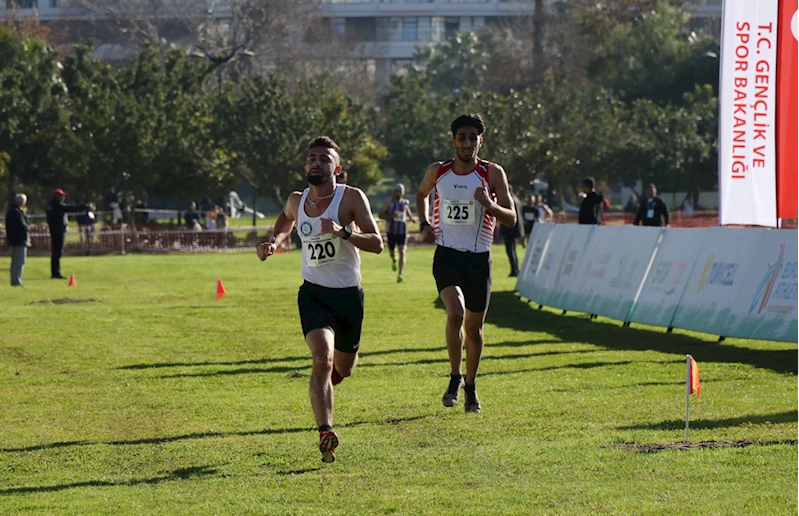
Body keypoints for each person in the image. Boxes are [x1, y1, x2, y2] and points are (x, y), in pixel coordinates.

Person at [256, 136, 383, 463]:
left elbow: (377, 243)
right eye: (312, 158)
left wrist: (343, 232)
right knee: (322, 359)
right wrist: (274, 241)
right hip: (313, 294)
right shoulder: (297, 200)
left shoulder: (351, 198)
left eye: (324, 159)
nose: (316, 162)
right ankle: (325, 430)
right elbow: (286, 219)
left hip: (348, 297)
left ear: (336, 168)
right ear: (305, 166)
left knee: (344, 368)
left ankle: (332, 378)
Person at [415, 113, 517, 413]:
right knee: (455, 313)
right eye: (462, 137)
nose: (467, 143)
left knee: (474, 329)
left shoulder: (492, 173)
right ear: (453, 140)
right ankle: (454, 377)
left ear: (480, 141)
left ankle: (470, 386)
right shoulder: (439, 170)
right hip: (446, 255)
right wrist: (424, 223)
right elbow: (422, 194)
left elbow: (511, 218)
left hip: (478, 259)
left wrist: (490, 204)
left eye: (473, 138)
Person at [378, 183, 417, 282]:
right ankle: (393, 260)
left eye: (400, 192)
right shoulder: (389, 203)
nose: (398, 193)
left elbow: (407, 212)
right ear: (393, 192)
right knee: (392, 252)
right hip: (391, 231)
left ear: (403, 193)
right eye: (396, 191)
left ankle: (400, 274)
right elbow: (380, 215)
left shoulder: (405, 203)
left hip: (402, 231)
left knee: (402, 251)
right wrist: (391, 216)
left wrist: (412, 219)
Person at [45, 188, 87, 279]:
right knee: (57, 252)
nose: (63, 197)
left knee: (55, 252)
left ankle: (55, 271)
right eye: (61, 196)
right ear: (57, 197)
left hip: (54, 230)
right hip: (58, 231)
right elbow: (70, 208)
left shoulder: (50, 205)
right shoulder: (57, 206)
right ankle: (56, 272)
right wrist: (85, 206)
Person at [499, 184, 525, 277]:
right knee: (512, 250)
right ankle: (515, 269)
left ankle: (514, 270)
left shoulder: (509, 200)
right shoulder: (516, 199)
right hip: (515, 229)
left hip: (510, 229)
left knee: (510, 250)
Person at [6, 193, 31, 286]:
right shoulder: (17, 212)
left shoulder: (11, 211)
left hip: (14, 239)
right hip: (19, 240)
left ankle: (15, 279)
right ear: (21, 202)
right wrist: (28, 227)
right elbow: (22, 225)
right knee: (19, 261)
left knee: (15, 261)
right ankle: (16, 281)